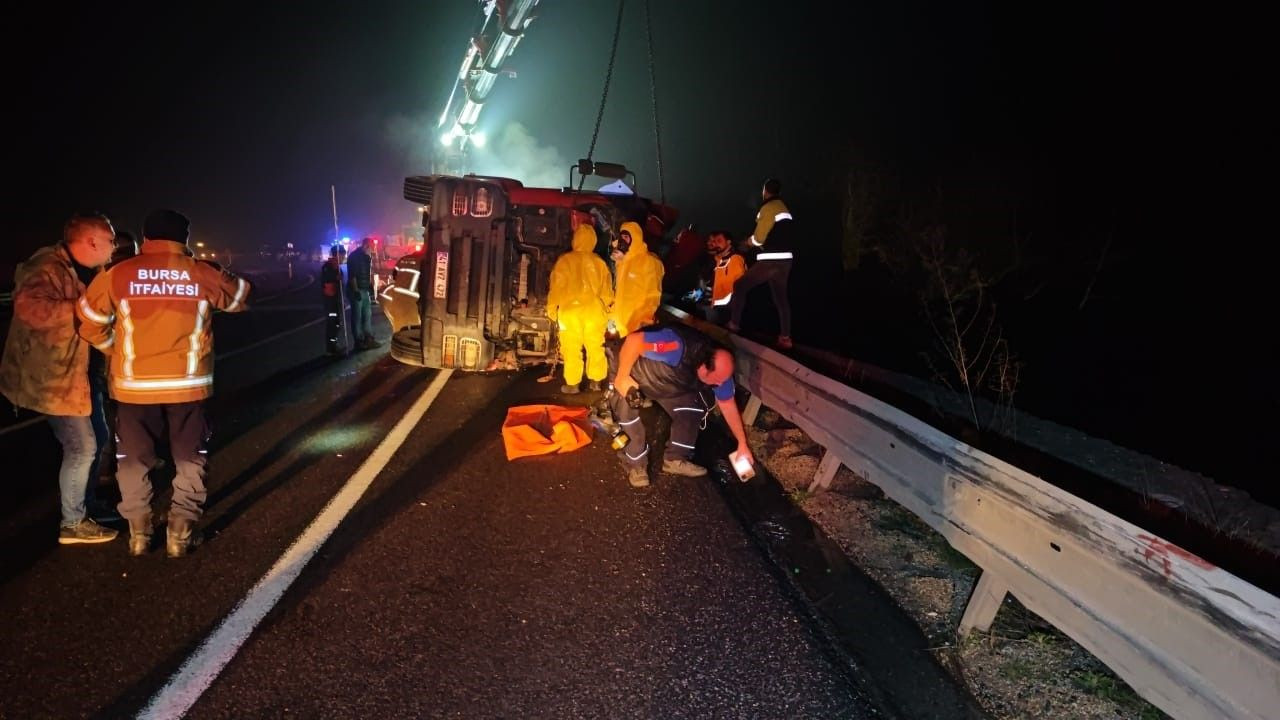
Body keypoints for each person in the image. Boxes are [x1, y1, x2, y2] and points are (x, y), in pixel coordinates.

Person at [77, 209, 251, 557]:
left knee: (132, 461)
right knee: (190, 458)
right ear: (184, 238)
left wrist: (118, 350)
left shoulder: (117, 274)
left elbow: (89, 323)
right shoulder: (199, 272)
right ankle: (180, 533)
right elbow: (241, 297)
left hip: (133, 387)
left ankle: (139, 533)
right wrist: (214, 274)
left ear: (146, 237)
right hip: (187, 386)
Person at [0, 212, 120, 544]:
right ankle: (73, 522)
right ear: (92, 241)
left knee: (98, 438)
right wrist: (85, 308)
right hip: (57, 380)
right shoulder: (47, 268)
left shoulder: (90, 270)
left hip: (82, 375)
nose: (114, 246)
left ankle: (87, 504)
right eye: (110, 240)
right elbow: (31, 310)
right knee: (82, 447)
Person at [609, 322, 754, 489]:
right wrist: (621, 376)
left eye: (722, 381)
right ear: (702, 366)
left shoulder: (721, 374)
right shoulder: (676, 346)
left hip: (667, 383)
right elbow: (635, 340)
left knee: (694, 407)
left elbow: (727, 403)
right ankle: (636, 465)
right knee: (627, 414)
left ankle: (675, 459)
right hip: (635, 372)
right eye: (716, 380)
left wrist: (742, 443)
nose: (720, 384)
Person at [727, 177, 796, 349]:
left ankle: (734, 325)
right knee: (781, 299)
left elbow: (759, 238)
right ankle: (785, 338)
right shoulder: (785, 209)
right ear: (779, 192)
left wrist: (745, 244)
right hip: (786, 261)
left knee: (740, 286)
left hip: (770, 261)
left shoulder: (767, 208)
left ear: (764, 191)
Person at [547, 224, 613, 394]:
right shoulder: (600, 263)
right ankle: (596, 382)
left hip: (570, 311)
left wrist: (552, 309)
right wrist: (605, 310)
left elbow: (556, 288)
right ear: (594, 241)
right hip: (594, 310)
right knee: (595, 346)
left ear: (575, 239)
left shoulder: (565, 260)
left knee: (571, 347)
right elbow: (607, 293)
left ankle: (573, 384)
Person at [608, 220, 664, 338]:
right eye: (621, 237)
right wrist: (611, 317)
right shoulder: (622, 262)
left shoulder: (649, 261)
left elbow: (653, 294)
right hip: (622, 326)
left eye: (626, 237)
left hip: (637, 325)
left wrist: (644, 320)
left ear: (635, 238)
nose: (623, 241)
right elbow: (619, 293)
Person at [686, 230, 746, 325]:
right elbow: (704, 283)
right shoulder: (717, 259)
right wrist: (692, 298)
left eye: (719, 241)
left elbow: (739, 287)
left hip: (720, 309)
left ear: (728, 242)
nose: (714, 243)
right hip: (707, 304)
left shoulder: (735, 259)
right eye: (713, 241)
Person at [346, 237, 380, 349]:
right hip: (356, 290)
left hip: (364, 289)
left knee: (367, 314)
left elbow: (368, 272)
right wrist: (355, 291)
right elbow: (352, 276)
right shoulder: (354, 257)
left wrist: (369, 285)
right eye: (372, 247)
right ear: (366, 245)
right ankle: (359, 341)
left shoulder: (367, 257)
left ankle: (368, 338)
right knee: (357, 316)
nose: (373, 249)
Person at [321, 244, 348, 355]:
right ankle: (331, 349)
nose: (343, 258)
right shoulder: (328, 267)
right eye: (342, 255)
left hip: (336, 300)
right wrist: (335, 278)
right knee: (332, 324)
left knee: (337, 324)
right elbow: (327, 284)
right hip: (330, 301)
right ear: (337, 255)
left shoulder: (336, 267)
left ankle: (334, 346)